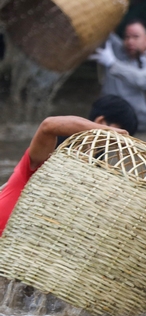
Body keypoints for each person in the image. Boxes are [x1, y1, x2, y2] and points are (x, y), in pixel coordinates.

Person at [0, 96, 138, 236]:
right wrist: (108, 132)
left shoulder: (94, 178)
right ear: (101, 122)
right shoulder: (45, 161)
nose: (116, 145)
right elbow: (49, 126)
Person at [90, 20, 146, 134]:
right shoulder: (118, 51)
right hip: (107, 120)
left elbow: (141, 79)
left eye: (136, 37)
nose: (130, 41)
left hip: (139, 127)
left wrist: (112, 63)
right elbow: (102, 30)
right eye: (127, 37)